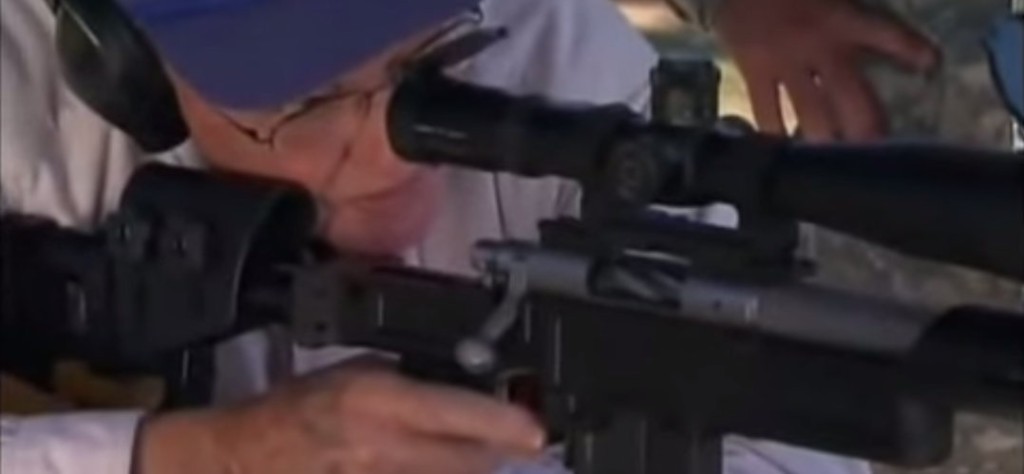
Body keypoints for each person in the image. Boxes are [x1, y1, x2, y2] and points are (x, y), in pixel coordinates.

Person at [0, 0, 939, 473]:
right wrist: (199, 456)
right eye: (307, 99)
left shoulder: (535, 39)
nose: (389, 155)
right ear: (118, 58)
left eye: (426, 63)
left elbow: (783, 441)